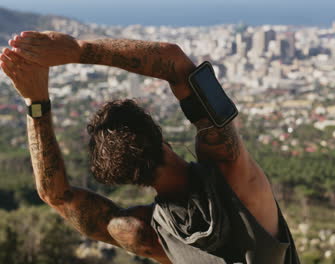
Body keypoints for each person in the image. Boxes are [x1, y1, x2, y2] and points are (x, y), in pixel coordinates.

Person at [0, 31, 300, 264]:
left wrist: (36, 102)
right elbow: (177, 62)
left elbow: (56, 195)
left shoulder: (147, 233)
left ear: (127, 178)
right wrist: (76, 49)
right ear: (162, 138)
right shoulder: (231, 172)